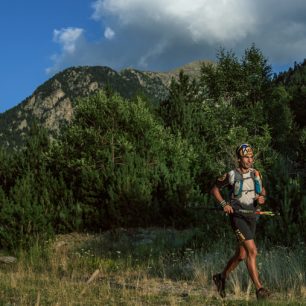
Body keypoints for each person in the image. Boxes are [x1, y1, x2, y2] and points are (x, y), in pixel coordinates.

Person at [210, 143, 270, 300]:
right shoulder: (231, 175)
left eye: (251, 157)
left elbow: (261, 192)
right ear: (239, 159)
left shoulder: (256, 173)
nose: (250, 160)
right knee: (252, 251)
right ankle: (260, 289)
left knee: (242, 254)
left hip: (251, 216)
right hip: (237, 218)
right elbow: (215, 189)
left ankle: (221, 277)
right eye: (246, 157)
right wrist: (224, 204)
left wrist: (262, 197)